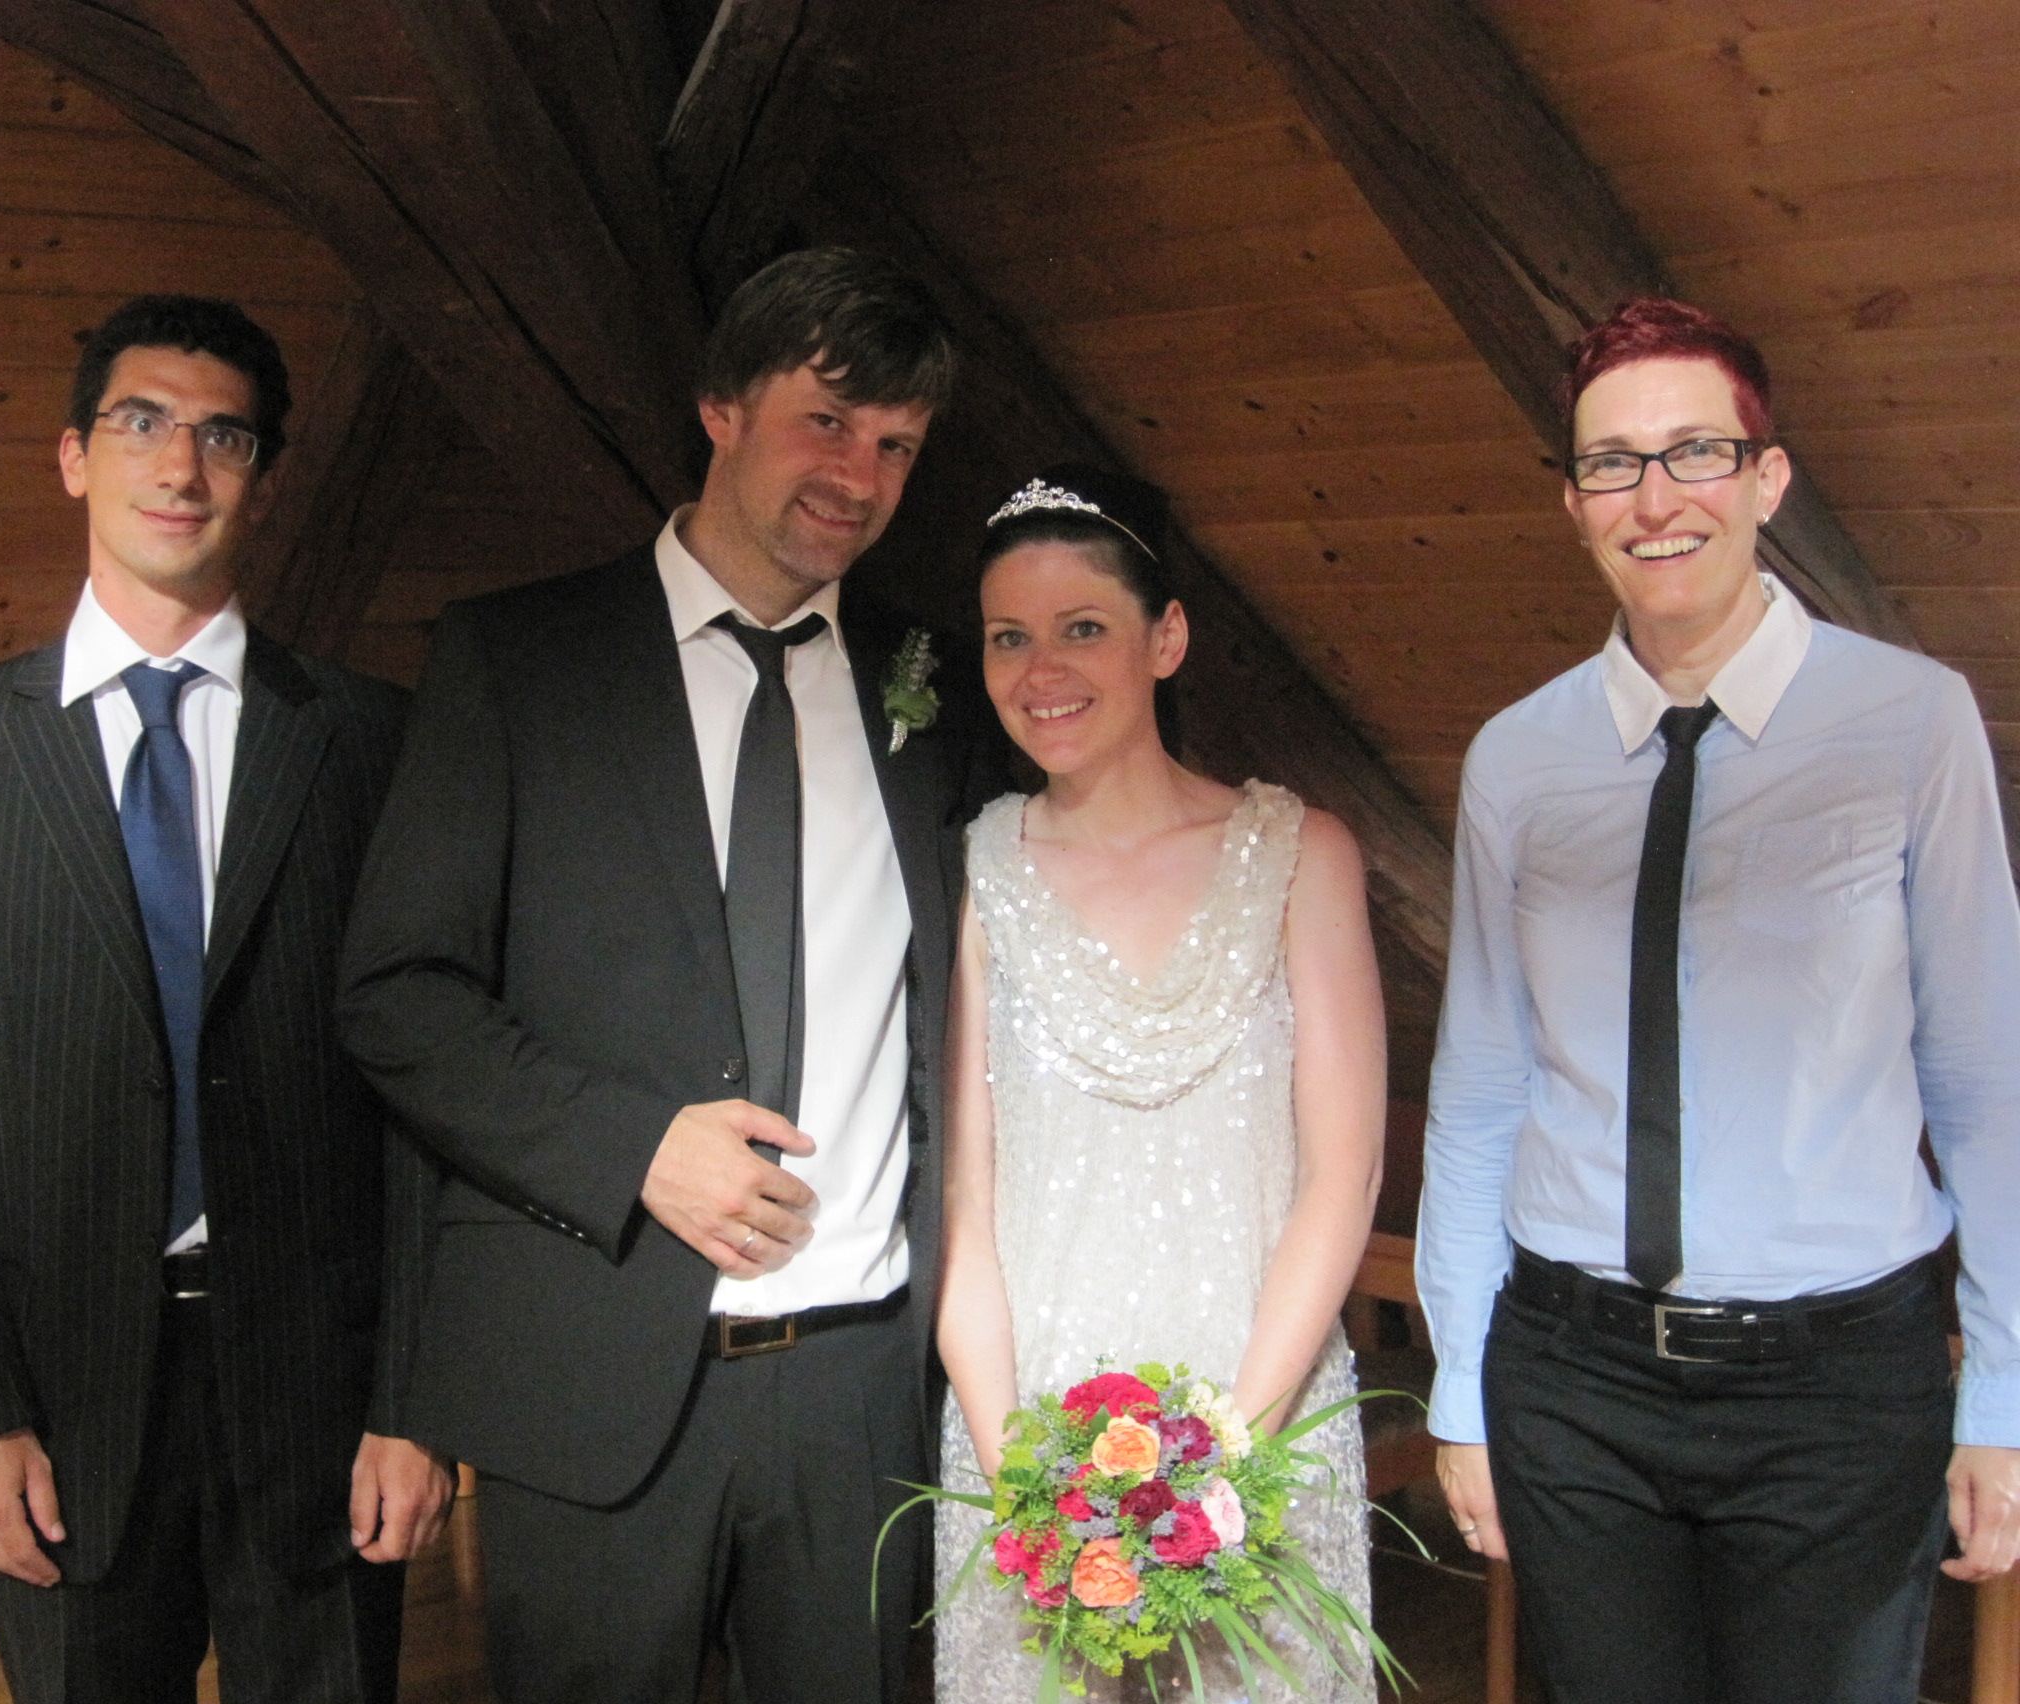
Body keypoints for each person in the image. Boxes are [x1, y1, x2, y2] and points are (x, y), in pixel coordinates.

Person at [334, 247, 999, 1703]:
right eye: (827, 421)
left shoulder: (940, 688)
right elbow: (398, 994)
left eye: (896, 446)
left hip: (860, 1390)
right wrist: (633, 1149)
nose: (859, 476)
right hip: (589, 1368)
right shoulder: (519, 660)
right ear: (720, 408)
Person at [1417, 296, 2020, 1703]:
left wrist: (2003, 1392)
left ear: (1767, 476)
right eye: (1611, 464)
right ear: (1574, 502)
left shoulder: (1910, 722)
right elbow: (1484, 1084)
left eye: (1696, 451)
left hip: (1835, 1385)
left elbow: (1985, 1080)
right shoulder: (1517, 758)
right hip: (1575, 1379)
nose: (1655, 499)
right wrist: (1461, 1388)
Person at [0, 295, 454, 1704]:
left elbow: (427, 1102)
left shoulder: (373, 741)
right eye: (142, 423)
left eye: (223, 437)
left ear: (263, 478)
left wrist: (418, 1403)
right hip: (57, 1419)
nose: (181, 466)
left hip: (324, 1404)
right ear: (75, 455)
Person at [932, 464, 1387, 1701]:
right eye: (1008, 637)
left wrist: (1223, 1463)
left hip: (1259, 1425)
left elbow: (1342, 1177)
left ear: (1166, 637)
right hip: (1029, 1434)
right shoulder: (973, 871)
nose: (1042, 670)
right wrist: (1023, 1489)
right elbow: (965, 1206)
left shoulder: (1300, 854)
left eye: (1082, 628)